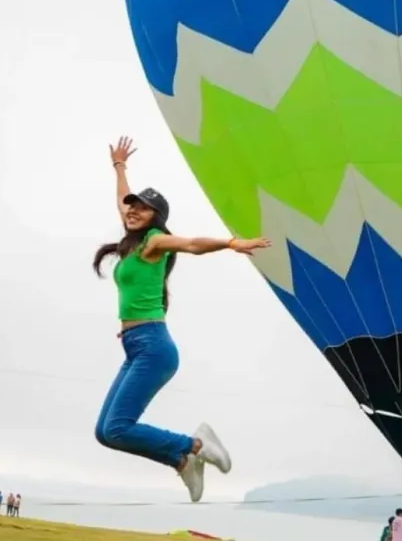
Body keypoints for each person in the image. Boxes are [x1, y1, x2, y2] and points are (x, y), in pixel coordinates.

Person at [92, 136, 271, 503]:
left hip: (154, 348)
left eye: (141, 209)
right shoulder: (131, 244)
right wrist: (120, 167)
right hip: (136, 346)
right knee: (104, 432)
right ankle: (180, 459)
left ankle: (194, 446)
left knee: (118, 427)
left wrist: (230, 243)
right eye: (132, 208)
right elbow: (120, 201)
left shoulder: (154, 241)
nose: (132, 211)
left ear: (155, 218)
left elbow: (190, 244)